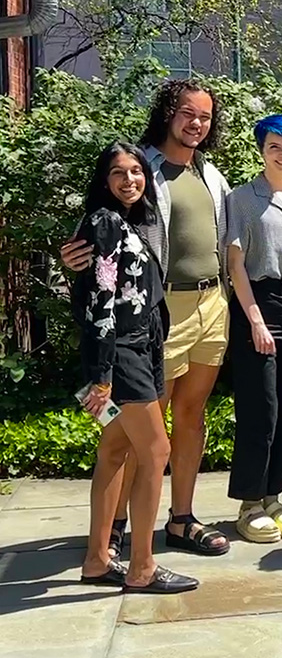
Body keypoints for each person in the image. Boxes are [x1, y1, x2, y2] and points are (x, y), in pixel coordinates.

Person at [61, 79, 233, 558]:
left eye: (205, 116)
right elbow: (100, 229)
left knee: (191, 415)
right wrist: (73, 258)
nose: (196, 123)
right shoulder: (140, 167)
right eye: (187, 113)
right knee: (137, 425)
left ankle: (181, 519)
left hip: (211, 303)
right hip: (157, 313)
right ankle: (116, 527)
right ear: (167, 113)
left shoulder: (208, 171)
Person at [73, 142, 197, 593]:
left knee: (114, 451)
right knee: (156, 451)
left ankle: (96, 560)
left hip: (139, 349)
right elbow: (101, 301)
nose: (129, 180)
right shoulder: (105, 223)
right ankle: (143, 567)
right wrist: (102, 375)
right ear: (104, 181)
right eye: (118, 173)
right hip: (122, 356)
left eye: (136, 171)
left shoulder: (129, 221)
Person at [224, 115, 282, 543]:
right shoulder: (242, 199)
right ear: (261, 149)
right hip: (258, 301)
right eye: (274, 145)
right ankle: (249, 501)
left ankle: (273, 494)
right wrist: (255, 319)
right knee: (261, 408)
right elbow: (236, 265)